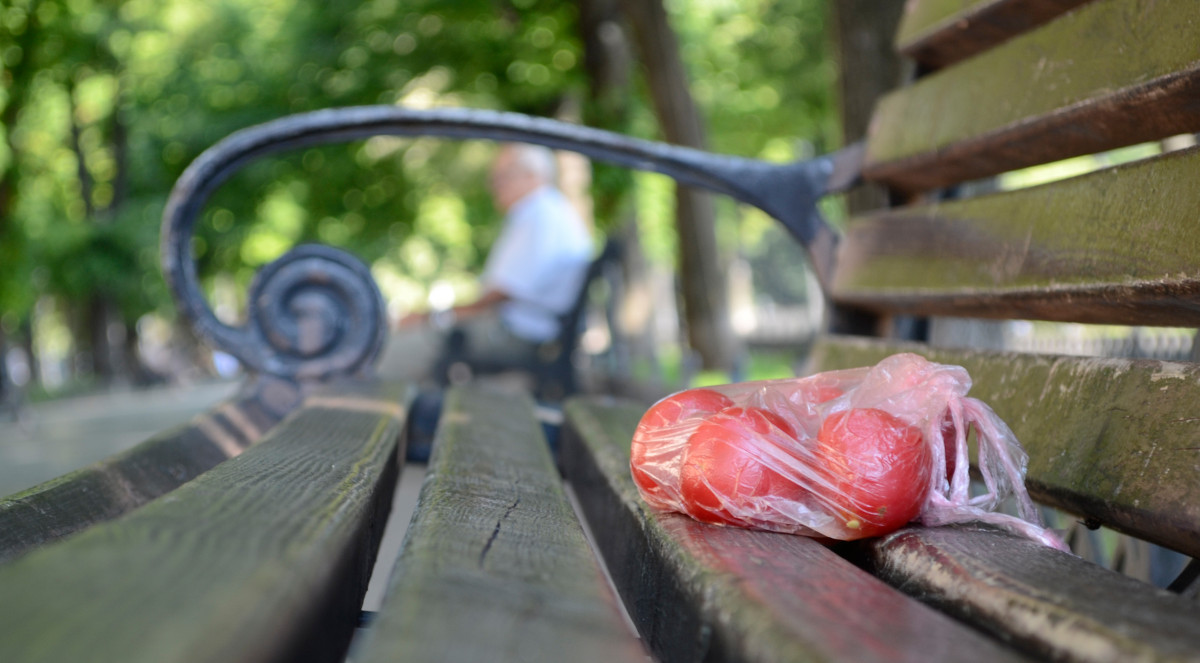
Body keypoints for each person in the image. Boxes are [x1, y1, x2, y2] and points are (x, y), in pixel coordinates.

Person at [396, 142, 595, 384]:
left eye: (504, 176)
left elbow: (499, 295)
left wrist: (434, 317)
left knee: (405, 345)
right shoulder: (550, 210)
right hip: (533, 329)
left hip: (522, 334)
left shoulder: (538, 214)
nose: (494, 186)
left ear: (533, 175)